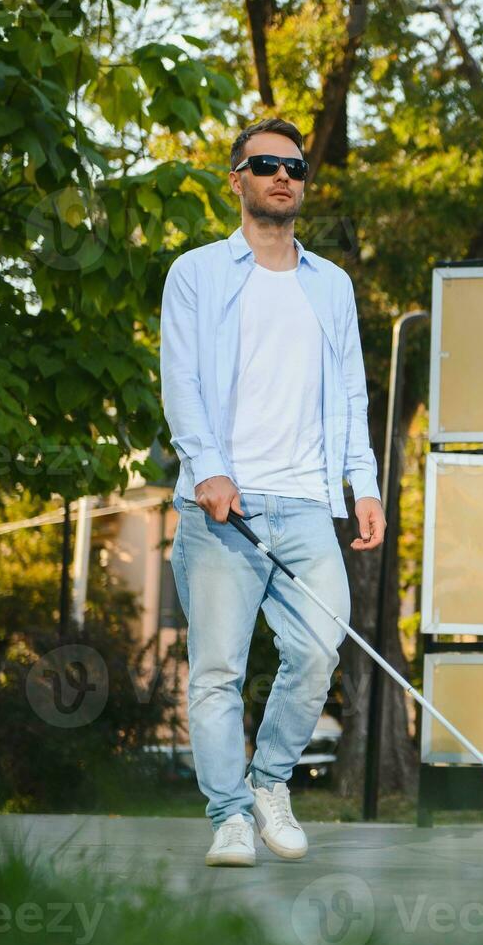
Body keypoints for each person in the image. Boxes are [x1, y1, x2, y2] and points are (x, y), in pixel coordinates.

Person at [159, 118, 386, 867]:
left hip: (305, 503)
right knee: (218, 669)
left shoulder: (332, 283)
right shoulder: (196, 272)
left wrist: (366, 486)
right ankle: (227, 816)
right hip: (222, 505)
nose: (282, 175)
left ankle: (267, 783)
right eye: (264, 164)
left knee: (320, 650)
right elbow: (181, 380)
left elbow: (350, 393)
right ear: (238, 180)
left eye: (293, 166)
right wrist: (207, 467)